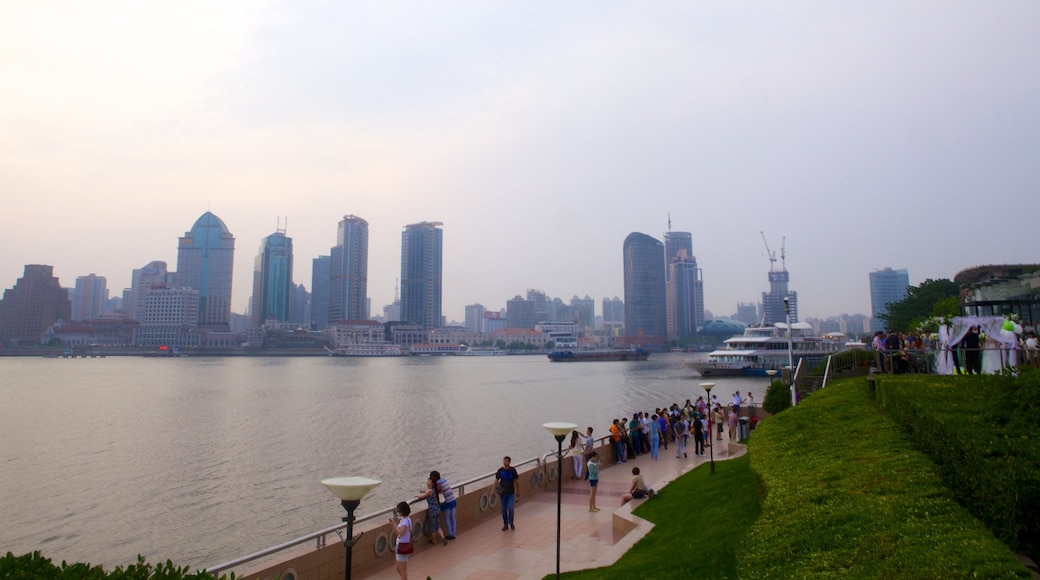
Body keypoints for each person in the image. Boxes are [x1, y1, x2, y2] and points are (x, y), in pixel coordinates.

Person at [415, 476, 446, 546]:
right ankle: (443, 538)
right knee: (437, 525)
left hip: (432, 510)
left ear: (432, 483)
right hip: (437, 508)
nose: (427, 482)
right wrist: (423, 491)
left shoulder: (430, 490)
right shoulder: (434, 489)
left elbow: (423, 496)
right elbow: (427, 492)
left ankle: (434, 540)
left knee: (433, 526)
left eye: (428, 481)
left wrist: (417, 495)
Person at [495, 456, 519, 531]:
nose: (505, 462)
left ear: (509, 462)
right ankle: (505, 524)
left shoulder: (512, 470)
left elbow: (516, 481)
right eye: (504, 461)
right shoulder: (500, 471)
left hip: (510, 493)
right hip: (502, 494)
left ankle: (511, 522)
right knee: (503, 509)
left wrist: (518, 490)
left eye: (506, 461)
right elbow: (496, 480)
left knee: (511, 508)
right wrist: (493, 490)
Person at [431, 470, 457, 540]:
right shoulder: (444, 480)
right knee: (452, 517)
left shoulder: (438, 483)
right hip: (453, 500)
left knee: (447, 518)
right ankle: (454, 533)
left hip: (448, 502)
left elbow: (435, 491)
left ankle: (450, 534)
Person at [390, 501, 412, 580]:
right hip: (399, 545)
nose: (398, 513)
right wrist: (394, 527)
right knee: (398, 568)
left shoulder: (406, 521)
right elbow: (397, 532)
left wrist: (394, 525)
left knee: (403, 570)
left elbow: (401, 533)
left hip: (403, 545)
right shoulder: (403, 520)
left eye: (399, 511)